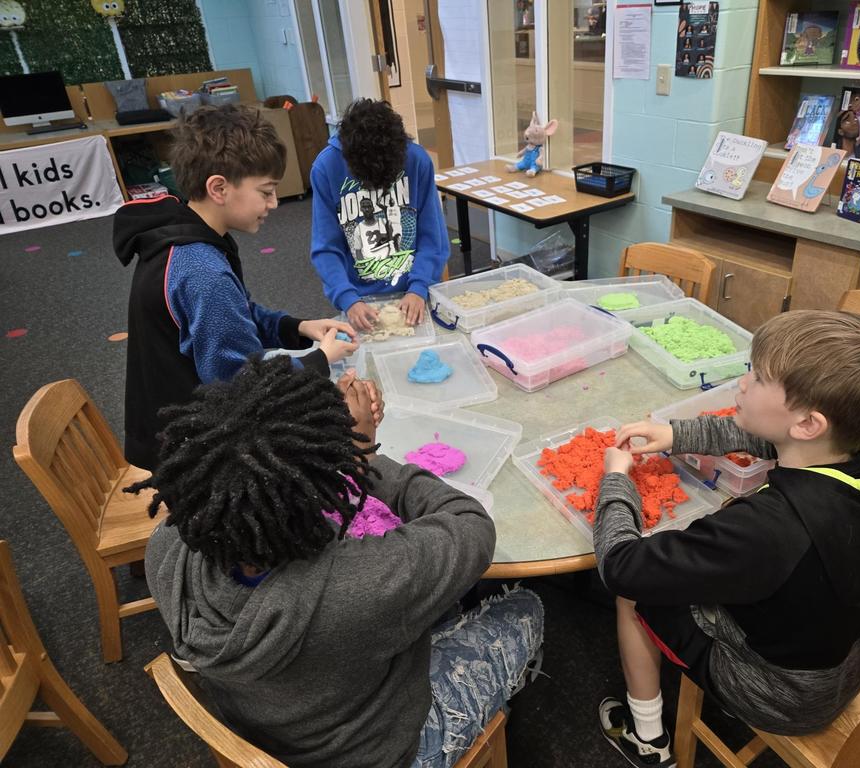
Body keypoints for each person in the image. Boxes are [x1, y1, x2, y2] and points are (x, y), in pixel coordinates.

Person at [136, 355, 544, 768]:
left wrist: (331, 453)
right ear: (322, 484)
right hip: (381, 752)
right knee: (527, 607)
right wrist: (358, 457)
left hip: (264, 728)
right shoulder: (361, 585)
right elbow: (472, 526)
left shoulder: (165, 551)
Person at [594, 310, 860, 767]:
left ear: (808, 424)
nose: (742, 384)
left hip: (780, 694)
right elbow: (766, 438)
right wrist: (675, 434)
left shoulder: (767, 529)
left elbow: (623, 568)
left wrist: (616, 480)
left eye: (756, 378)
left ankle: (647, 739)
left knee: (632, 597)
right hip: (854, 655)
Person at [113, 104, 357, 471]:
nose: (274, 203)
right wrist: (319, 360)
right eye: (266, 191)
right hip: (193, 453)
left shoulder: (187, 232)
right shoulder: (203, 272)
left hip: (177, 424)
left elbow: (237, 314)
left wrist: (298, 328)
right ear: (219, 188)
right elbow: (242, 388)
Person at [310, 98, 448, 332]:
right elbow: (326, 247)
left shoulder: (417, 161)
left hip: (415, 291)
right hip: (359, 299)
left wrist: (419, 286)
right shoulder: (326, 168)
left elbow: (433, 236)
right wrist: (348, 298)